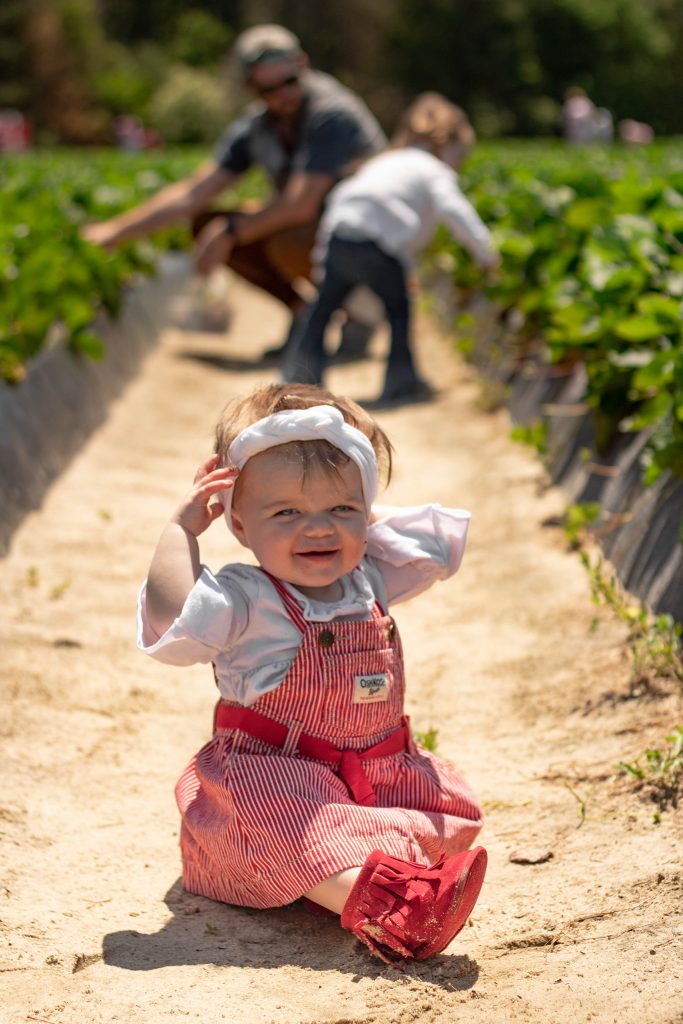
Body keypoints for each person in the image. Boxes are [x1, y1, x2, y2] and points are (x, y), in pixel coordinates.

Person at [138, 381, 486, 966]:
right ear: (240, 525)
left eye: (341, 509)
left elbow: (432, 545)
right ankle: (388, 909)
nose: (319, 529)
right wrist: (181, 532)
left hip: (370, 769)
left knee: (419, 817)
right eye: (287, 512)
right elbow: (172, 618)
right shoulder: (246, 598)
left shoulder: (368, 576)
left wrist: (358, 498)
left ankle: (389, 875)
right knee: (291, 826)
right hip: (277, 779)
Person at [82, 24, 386, 361]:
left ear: (303, 64)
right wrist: (114, 233)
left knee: (280, 238)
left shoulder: (331, 114)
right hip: (322, 226)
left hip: (375, 237)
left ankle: (362, 311)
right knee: (207, 222)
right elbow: (193, 193)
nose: (282, 94)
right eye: (268, 88)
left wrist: (230, 231)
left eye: (289, 81)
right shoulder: (258, 127)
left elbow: (300, 205)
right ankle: (304, 314)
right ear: (251, 87)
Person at [281, 92, 499, 403]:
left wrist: (322, 263)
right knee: (398, 311)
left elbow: (342, 198)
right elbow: (455, 210)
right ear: (448, 144)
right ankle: (400, 381)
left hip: (340, 237)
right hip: (377, 246)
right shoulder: (431, 168)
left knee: (322, 311)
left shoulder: (383, 162)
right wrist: (487, 255)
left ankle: (301, 380)